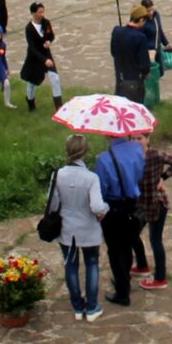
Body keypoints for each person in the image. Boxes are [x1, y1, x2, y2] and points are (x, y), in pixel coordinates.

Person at [49, 135, 108, 321]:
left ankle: (77, 306)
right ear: (85, 151)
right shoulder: (91, 178)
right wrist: (107, 208)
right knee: (92, 264)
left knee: (70, 266)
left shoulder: (57, 175)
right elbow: (97, 207)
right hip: (88, 228)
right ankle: (91, 307)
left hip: (67, 228)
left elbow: (52, 204)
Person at [95, 133, 145, 307]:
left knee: (115, 250)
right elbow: (140, 174)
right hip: (133, 205)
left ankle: (122, 292)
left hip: (114, 208)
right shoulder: (137, 148)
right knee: (128, 245)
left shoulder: (104, 159)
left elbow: (102, 188)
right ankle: (125, 279)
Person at [133, 131, 172, 290]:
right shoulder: (130, 157)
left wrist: (163, 177)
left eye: (139, 138)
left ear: (148, 139)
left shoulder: (156, 155)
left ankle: (160, 278)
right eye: (133, 138)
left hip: (156, 203)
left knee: (156, 240)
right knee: (132, 234)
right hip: (140, 204)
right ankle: (142, 265)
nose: (136, 141)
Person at [20, 1, 62, 110]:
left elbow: (51, 35)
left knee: (55, 78)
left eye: (43, 12)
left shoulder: (46, 23)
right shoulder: (29, 29)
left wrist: (49, 41)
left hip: (46, 54)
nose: (42, 14)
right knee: (31, 84)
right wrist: (44, 61)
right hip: (35, 58)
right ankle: (31, 104)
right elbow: (32, 48)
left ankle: (59, 107)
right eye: (39, 12)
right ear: (33, 13)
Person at [111, 6, 152, 104]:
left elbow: (113, 52)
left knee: (121, 110)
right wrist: (146, 73)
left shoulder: (116, 31)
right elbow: (144, 66)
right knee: (135, 111)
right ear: (141, 19)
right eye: (145, 21)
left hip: (119, 80)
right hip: (134, 83)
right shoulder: (140, 37)